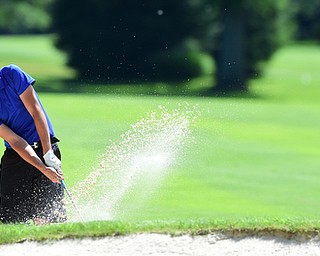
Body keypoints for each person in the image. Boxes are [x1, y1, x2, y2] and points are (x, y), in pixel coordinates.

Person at [0, 64, 66, 224]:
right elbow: (16, 141)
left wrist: (48, 152)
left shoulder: (11, 74)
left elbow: (36, 111)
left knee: (47, 218)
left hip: (45, 146)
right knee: (11, 220)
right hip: (17, 157)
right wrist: (43, 168)